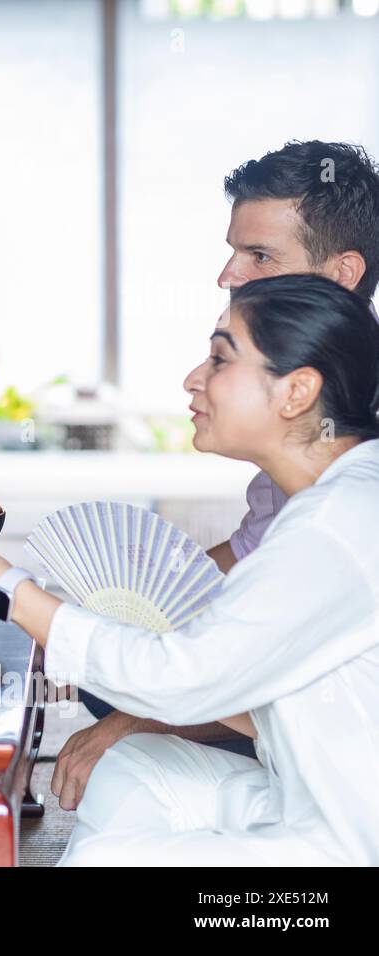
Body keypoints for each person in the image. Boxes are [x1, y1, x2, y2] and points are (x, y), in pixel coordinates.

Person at [0, 274, 379, 865]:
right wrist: (67, 620)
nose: (193, 379)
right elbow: (246, 686)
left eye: (221, 358)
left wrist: (10, 594)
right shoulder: (339, 496)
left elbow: (185, 681)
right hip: (303, 790)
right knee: (133, 768)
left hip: (348, 835)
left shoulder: (334, 524)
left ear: (296, 392)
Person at [55, 140, 379, 812]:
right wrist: (116, 613)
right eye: (235, 250)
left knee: (122, 687)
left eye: (260, 256)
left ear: (344, 273)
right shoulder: (298, 402)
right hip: (291, 684)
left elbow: (301, 659)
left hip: (349, 755)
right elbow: (249, 558)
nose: (230, 274)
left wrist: (141, 712)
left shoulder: (343, 460)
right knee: (112, 662)